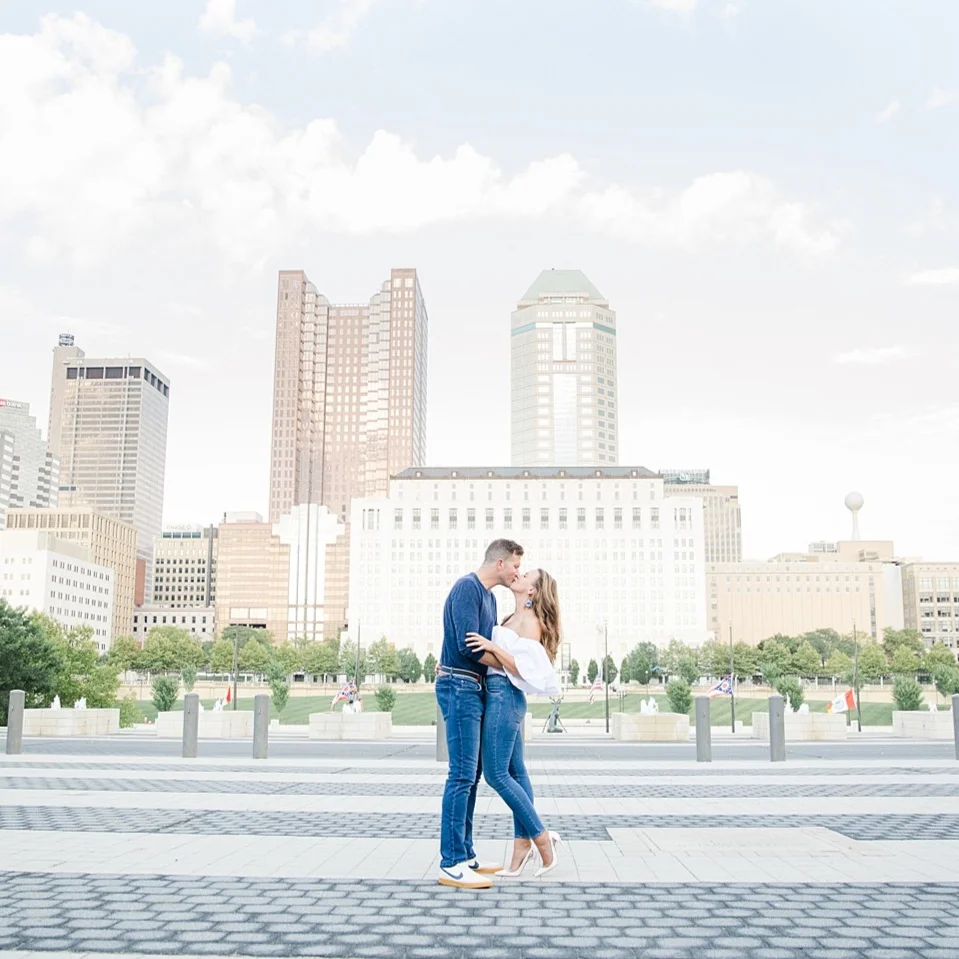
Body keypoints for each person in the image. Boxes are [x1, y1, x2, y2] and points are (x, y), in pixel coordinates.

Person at [436, 539, 524, 889]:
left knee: (471, 776)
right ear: (500, 562)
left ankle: (465, 854)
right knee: (461, 775)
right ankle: (450, 862)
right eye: (516, 565)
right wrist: (510, 666)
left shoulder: (489, 597)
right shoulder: (466, 588)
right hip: (459, 687)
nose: (518, 572)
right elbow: (467, 648)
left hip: (473, 688)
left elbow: (485, 646)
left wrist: (501, 660)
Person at [466, 568, 562, 878]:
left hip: (505, 695)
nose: (518, 575)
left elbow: (524, 668)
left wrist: (494, 647)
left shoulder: (531, 623)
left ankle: (542, 838)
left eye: (526, 576)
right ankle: (522, 846)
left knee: (495, 774)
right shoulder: (511, 618)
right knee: (516, 772)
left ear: (532, 592)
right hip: (499, 693)